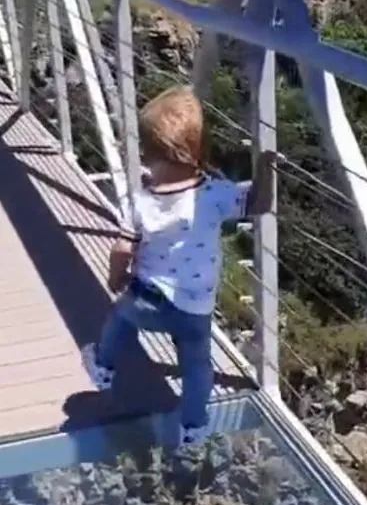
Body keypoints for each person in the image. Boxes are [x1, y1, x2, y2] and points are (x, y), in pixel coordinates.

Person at [81, 85, 274, 446]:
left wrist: (115, 278)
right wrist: (264, 170)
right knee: (198, 367)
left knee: (119, 319)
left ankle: (103, 367)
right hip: (194, 311)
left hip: (145, 301)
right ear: (199, 152)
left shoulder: (140, 202)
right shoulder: (214, 195)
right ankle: (194, 427)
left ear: (150, 156)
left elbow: (122, 249)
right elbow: (259, 202)